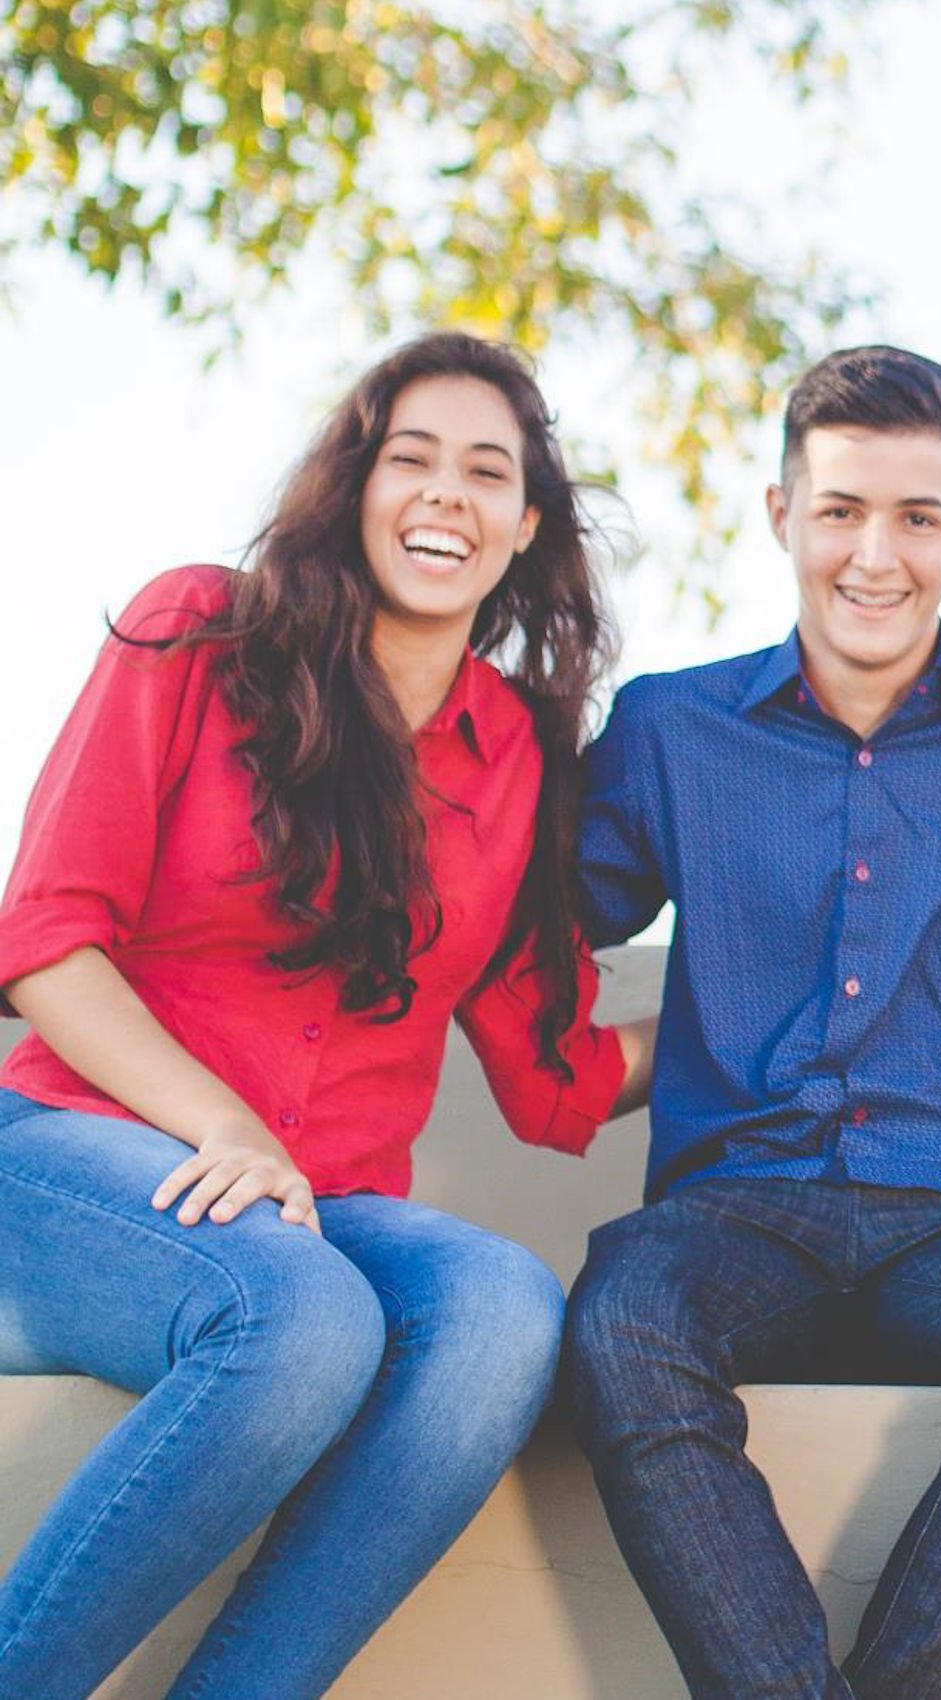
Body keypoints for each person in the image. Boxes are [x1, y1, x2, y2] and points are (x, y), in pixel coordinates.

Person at [0, 332, 648, 1700]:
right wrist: (226, 1127)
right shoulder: (200, 632)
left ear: (523, 527)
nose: (444, 496)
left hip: (316, 1205)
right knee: (301, 1320)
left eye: (487, 473)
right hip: (75, 1151)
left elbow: (559, 1076)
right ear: (355, 489)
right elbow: (46, 941)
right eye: (410, 458)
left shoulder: (518, 753)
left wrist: (786, 1004)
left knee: (502, 1313)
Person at [561, 345, 941, 1700]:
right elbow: (525, 926)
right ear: (782, 515)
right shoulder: (670, 728)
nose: (874, 554)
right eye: (839, 509)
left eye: (916, 516)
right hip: (733, 1216)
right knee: (618, 1316)